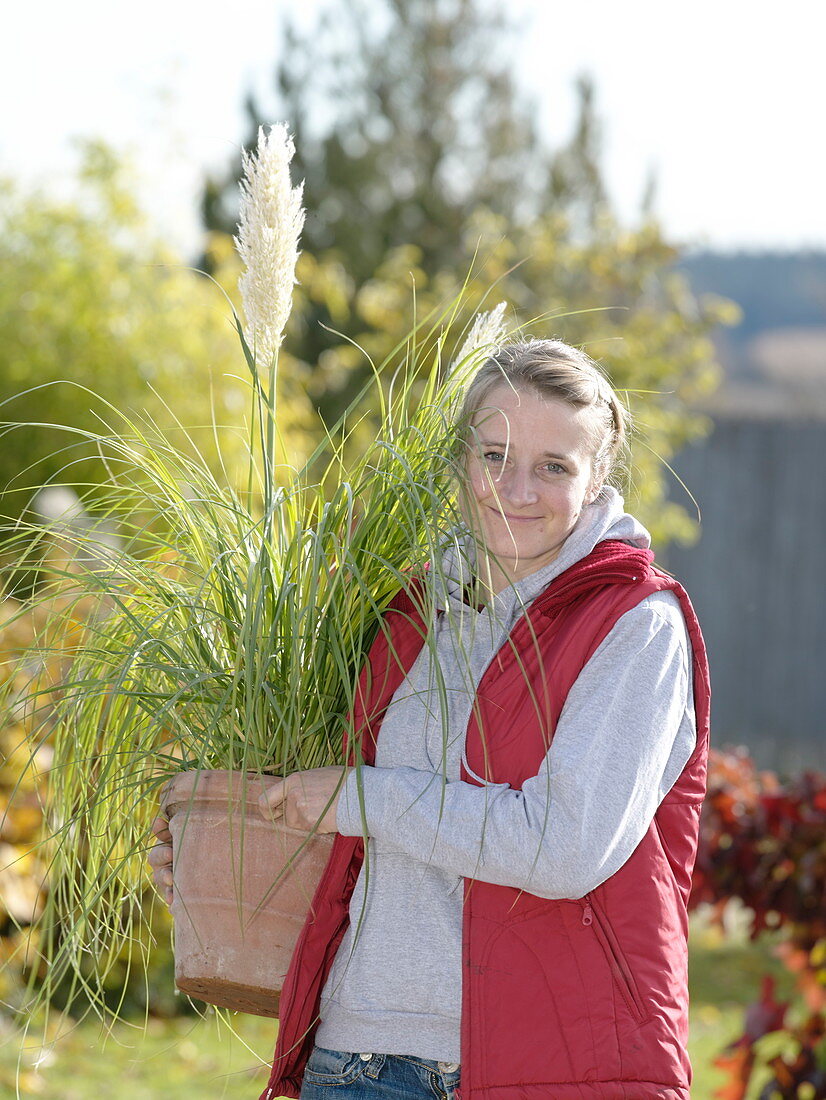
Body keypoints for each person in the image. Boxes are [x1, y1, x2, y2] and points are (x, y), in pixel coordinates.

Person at [151, 338, 710, 1100]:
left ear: (598, 477)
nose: (515, 489)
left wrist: (358, 795)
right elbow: (349, 832)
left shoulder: (634, 625)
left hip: (549, 1068)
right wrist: (234, 856)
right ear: (460, 457)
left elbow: (564, 847)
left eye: (554, 466)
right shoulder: (405, 610)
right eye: (494, 455)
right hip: (357, 1059)